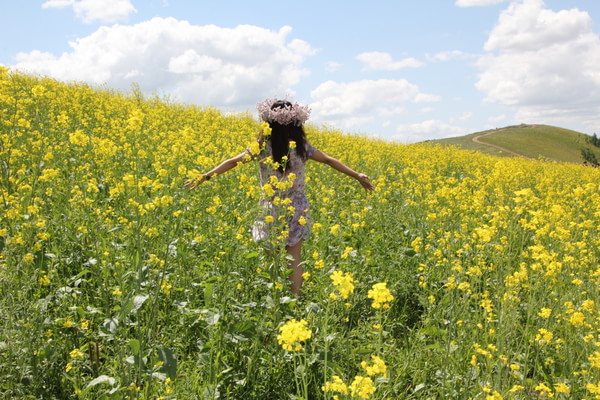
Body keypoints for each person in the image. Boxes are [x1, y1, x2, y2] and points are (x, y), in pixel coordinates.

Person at [184, 99, 374, 296]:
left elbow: (233, 162)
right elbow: (328, 160)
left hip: (271, 209)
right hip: (297, 208)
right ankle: (295, 298)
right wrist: (357, 175)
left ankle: (275, 297)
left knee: (272, 258)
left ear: (269, 123)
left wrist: (205, 176)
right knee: (295, 258)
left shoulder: (263, 146)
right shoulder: (302, 147)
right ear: (296, 124)